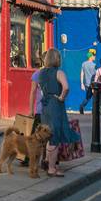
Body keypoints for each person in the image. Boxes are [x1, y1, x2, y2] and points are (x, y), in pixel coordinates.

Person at [35, 47, 74, 177]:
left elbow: (41, 87)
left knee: (48, 135)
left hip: (45, 105)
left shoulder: (41, 73)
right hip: (55, 105)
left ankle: (47, 161)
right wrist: (62, 97)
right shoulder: (59, 72)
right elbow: (66, 87)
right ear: (57, 59)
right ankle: (52, 168)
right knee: (55, 137)